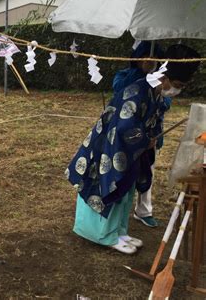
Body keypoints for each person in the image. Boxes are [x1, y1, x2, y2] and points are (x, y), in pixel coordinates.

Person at [66, 44, 200, 254]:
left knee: (126, 189)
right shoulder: (136, 91)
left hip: (129, 151)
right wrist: (145, 139)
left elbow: (152, 120)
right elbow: (125, 125)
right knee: (109, 187)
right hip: (110, 146)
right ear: (163, 77)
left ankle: (119, 231)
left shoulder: (155, 93)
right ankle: (103, 234)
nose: (177, 90)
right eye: (176, 84)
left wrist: (151, 138)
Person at [112, 41, 171, 228]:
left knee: (147, 171)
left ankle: (144, 211)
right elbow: (120, 91)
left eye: (152, 58)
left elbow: (166, 102)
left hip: (150, 136)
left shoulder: (161, 79)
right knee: (123, 172)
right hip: (127, 137)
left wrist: (155, 81)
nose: (148, 61)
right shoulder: (124, 75)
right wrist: (140, 74)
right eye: (144, 57)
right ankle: (116, 213)